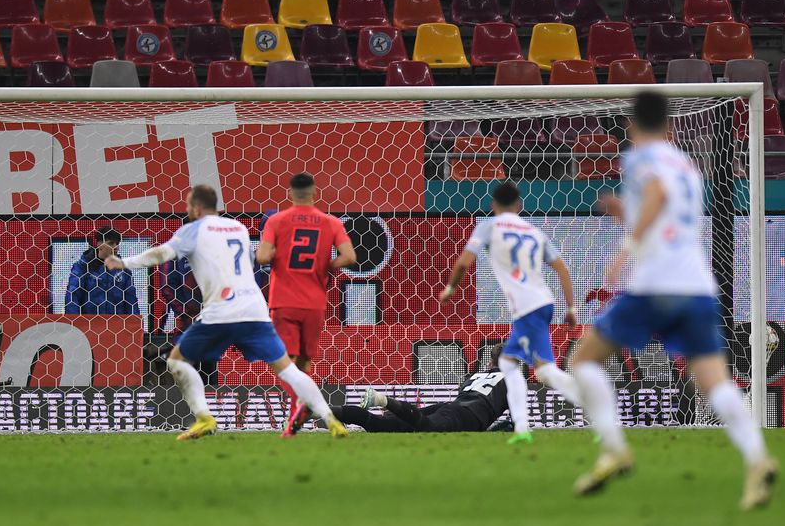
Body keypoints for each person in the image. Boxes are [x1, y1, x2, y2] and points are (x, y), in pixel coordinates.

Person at [568, 91, 778, 509]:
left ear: (631, 125)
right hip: (696, 284)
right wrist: (623, 213)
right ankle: (757, 459)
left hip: (654, 283)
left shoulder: (639, 157)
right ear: (672, 125)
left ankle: (614, 448)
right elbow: (665, 210)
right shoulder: (688, 165)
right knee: (713, 379)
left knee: (582, 360)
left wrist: (626, 246)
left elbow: (658, 194)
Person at [106, 184, 348, 440]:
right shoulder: (238, 228)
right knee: (287, 369)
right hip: (254, 310)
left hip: (220, 312)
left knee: (176, 360)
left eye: (189, 205)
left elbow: (161, 254)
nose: (188, 210)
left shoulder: (192, 230)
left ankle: (204, 417)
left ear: (197, 208)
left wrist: (124, 262)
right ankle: (331, 420)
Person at [438, 181, 583, 444]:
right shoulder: (533, 231)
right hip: (542, 303)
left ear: (493, 205)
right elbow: (562, 269)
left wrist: (450, 288)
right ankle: (521, 428)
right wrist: (571, 307)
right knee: (508, 364)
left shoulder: (490, 225)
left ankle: (598, 412)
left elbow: (463, 262)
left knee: (545, 372)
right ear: (519, 206)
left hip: (529, 307)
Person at [255, 173, 356, 437]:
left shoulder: (277, 221)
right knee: (305, 364)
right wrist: (326, 267)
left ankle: (305, 405)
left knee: (285, 365)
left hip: (283, 301)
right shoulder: (330, 222)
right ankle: (293, 423)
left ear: (290, 193)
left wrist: (279, 253)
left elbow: (263, 256)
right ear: (313, 193)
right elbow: (350, 256)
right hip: (314, 302)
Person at [335, 345, 512, 433]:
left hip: (450, 407)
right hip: (464, 415)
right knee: (428, 428)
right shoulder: (512, 381)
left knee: (381, 426)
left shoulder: (475, 376)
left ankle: (319, 410)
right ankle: (383, 400)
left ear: (490, 363)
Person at [65, 227, 140, 316]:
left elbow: (131, 302)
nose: (116, 247)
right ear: (99, 244)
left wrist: (134, 327)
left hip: (117, 326)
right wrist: (75, 325)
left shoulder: (123, 270)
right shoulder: (83, 267)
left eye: (117, 243)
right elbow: (72, 297)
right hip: (89, 325)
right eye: (111, 243)